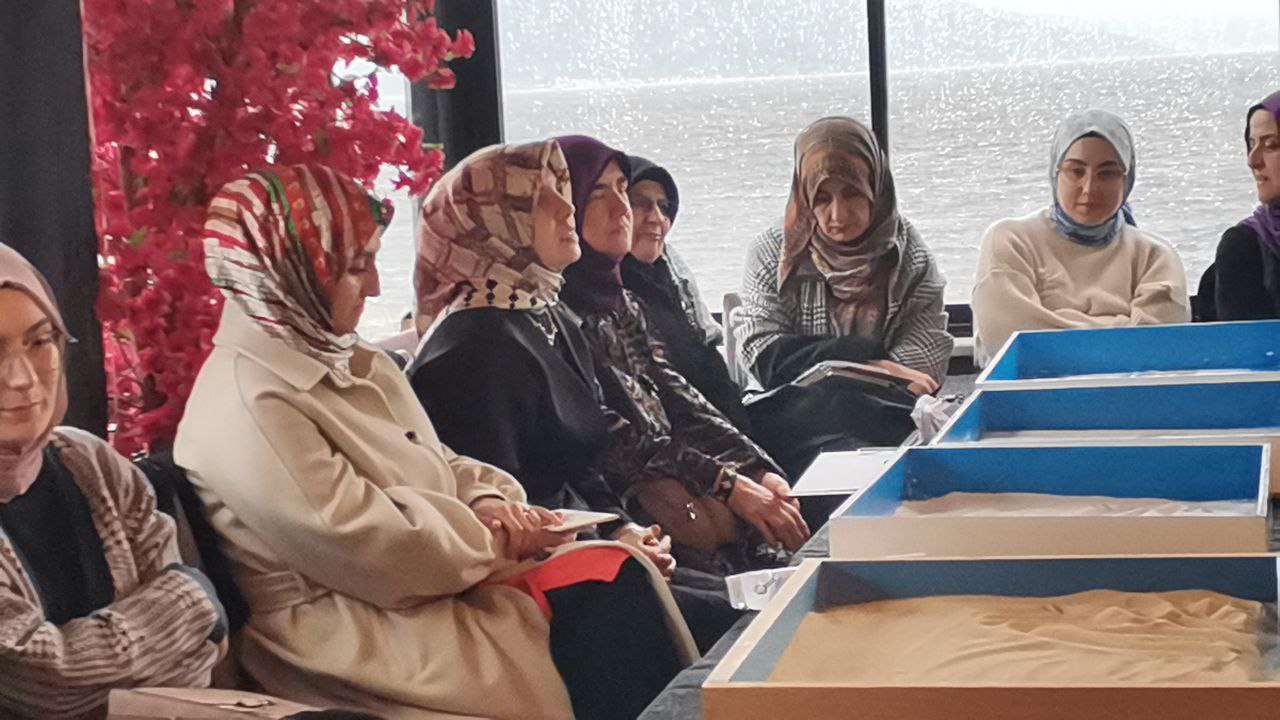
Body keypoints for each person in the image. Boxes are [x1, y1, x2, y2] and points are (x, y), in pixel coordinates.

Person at [174, 165, 694, 720]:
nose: (376, 286)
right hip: (354, 637)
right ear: (288, 274)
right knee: (613, 606)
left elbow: (441, 461)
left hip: (437, 586)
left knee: (621, 581)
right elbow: (377, 550)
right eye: (356, 267)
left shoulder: (347, 357)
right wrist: (500, 534)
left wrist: (489, 500)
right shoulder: (249, 402)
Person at [409, 140, 740, 652]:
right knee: (744, 623)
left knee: (755, 600)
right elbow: (509, 517)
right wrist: (609, 546)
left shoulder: (545, 315)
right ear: (496, 222)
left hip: (593, 551)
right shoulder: (471, 351)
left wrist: (624, 531)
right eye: (542, 199)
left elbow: (584, 463)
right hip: (543, 587)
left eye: (565, 192)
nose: (568, 210)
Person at [554, 135, 809, 577]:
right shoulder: (554, 314)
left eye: (622, 190)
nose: (622, 210)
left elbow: (678, 395)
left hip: (677, 467)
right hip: (616, 506)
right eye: (598, 193)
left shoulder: (623, 301)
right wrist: (726, 483)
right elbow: (606, 435)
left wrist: (756, 469)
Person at [0, 242, 226, 718]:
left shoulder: (89, 462)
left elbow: (195, 662)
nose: (23, 379)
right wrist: (190, 603)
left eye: (39, 341)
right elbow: (44, 687)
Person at [734, 117, 951, 474]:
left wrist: (839, 373)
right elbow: (763, 353)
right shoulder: (772, 252)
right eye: (821, 198)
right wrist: (873, 364)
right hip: (794, 422)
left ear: (876, 189)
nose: (838, 215)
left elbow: (923, 359)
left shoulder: (909, 255)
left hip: (882, 421)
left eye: (852, 193)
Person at [972, 109, 1189, 364]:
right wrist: (1121, 324)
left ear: (1127, 179)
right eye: (1076, 171)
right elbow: (1010, 343)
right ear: (1056, 172)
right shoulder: (1011, 241)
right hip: (1031, 388)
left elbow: (1157, 347)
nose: (1089, 188)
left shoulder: (1156, 256)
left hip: (1129, 388)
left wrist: (1057, 323)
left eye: (1107, 173)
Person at [619, 154, 751, 432]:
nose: (658, 218)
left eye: (664, 207)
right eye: (640, 203)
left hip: (719, 431)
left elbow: (707, 367)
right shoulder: (605, 296)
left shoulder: (669, 279)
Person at [1211, 90, 1280, 320]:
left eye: (1271, 145)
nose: (1253, 160)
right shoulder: (1244, 247)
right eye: (1251, 144)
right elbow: (1244, 341)